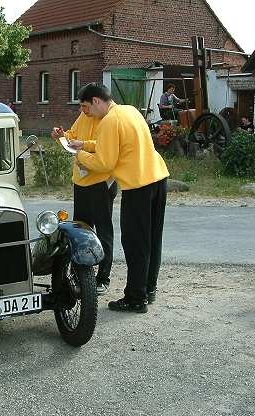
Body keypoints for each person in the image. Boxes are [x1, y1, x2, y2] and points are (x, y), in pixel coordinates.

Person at [69, 83, 170, 314]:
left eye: (86, 107)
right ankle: (148, 289)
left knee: (135, 244)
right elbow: (113, 145)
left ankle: (135, 298)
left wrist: (80, 154)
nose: (86, 113)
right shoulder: (129, 111)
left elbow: (105, 163)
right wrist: (85, 144)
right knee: (153, 239)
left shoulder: (108, 121)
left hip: (138, 186)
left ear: (96, 101)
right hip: (158, 177)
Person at [51, 108, 118, 295]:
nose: (83, 110)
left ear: (95, 101)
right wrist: (62, 136)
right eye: (81, 106)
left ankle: (103, 278)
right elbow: (73, 134)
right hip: (81, 181)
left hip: (101, 182)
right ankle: (80, 274)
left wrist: (84, 144)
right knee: (80, 229)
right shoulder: (84, 115)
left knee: (103, 231)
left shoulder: (109, 117)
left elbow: (107, 145)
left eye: (85, 106)